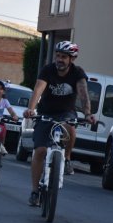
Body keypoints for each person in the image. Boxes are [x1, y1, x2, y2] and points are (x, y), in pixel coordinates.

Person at [24, 40, 96, 205]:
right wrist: (31, 109)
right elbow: (38, 89)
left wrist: (87, 113)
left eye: (63, 56)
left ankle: (67, 157)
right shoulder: (48, 70)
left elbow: (83, 94)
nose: (59, 59)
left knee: (70, 128)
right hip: (46, 112)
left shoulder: (77, 73)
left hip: (65, 113)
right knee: (40, 151)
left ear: (72, 59)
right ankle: (35, 191)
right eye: (58, 55)